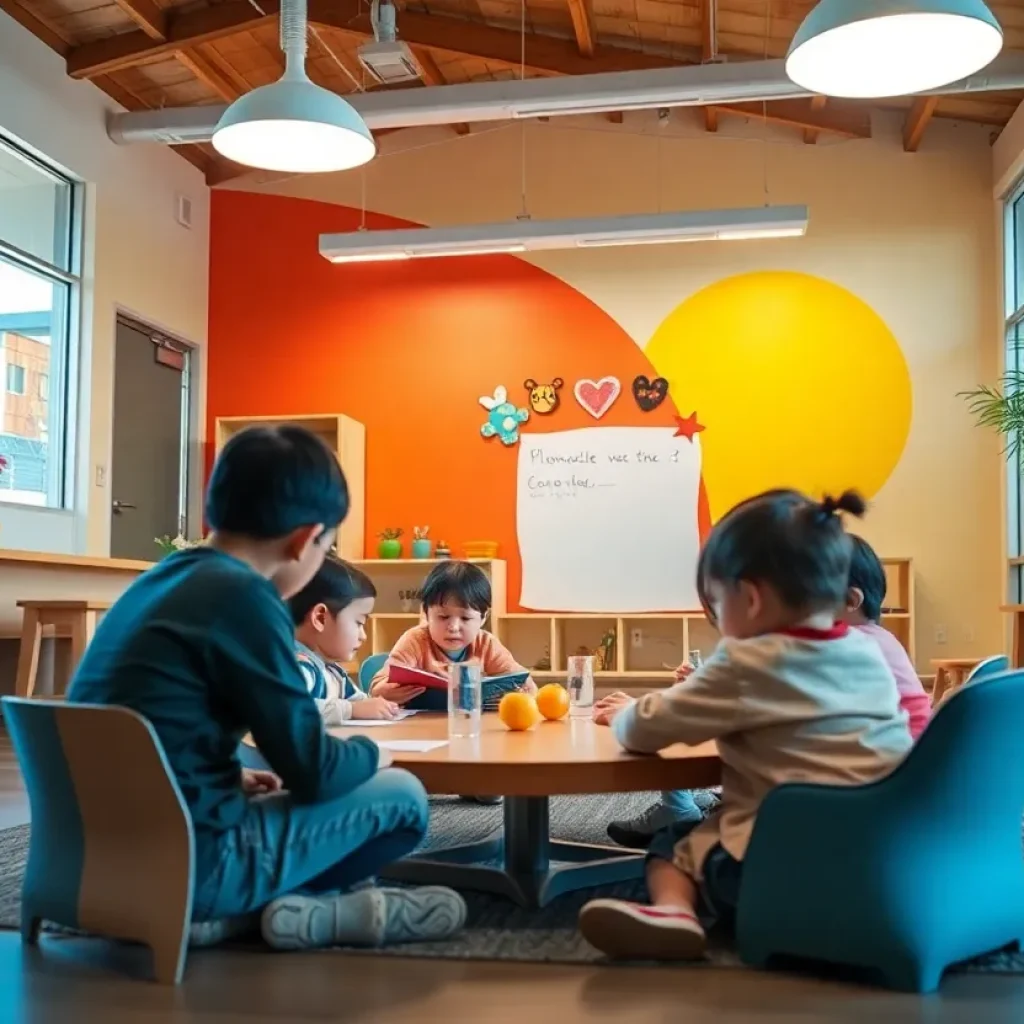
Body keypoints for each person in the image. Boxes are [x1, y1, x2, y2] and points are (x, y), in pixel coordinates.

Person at [68, 425, 465, 952]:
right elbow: (315, 773)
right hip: (195, 864)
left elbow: (151, 719)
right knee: (404, 797)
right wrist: (374, 754)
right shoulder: (247, 600)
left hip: (95, 859)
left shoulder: (160, 579)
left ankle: (231, 912)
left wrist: (230, 772)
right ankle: (264, 911)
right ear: (305, 540)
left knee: (271, 776)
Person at [578, 489, 913, 961]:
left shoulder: (744, 662)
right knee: (724, 821)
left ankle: (676, 912)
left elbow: (647, 730)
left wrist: (624, 715)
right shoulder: (870, 653)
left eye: (716, 601)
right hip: (882, 863)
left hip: (783, 876)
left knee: (675, 841)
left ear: (751, 598)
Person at [370, 560, 536, 708]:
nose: (454, 627)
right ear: (426, 614)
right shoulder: (415, 640)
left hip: (471, 726)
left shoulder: (486, 644)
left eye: (465, 618)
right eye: (443, 617)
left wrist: (525, 691)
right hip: (419, 729)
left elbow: (522, 681)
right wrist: (386, 691)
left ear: (483, 618)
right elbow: (377, 687)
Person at [289, 556, 401, 723]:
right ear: (320, 618)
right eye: (358, 622)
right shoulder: (299, 666)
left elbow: (360, 702)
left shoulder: (333, 671)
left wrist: (380, 706)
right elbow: (291, 709)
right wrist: (351, 710)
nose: (363, 636)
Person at [842, 535, 932, 739]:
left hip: (903, 751)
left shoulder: (853, 642)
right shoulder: (882, 637)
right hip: (917, 744)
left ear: (851, 600)